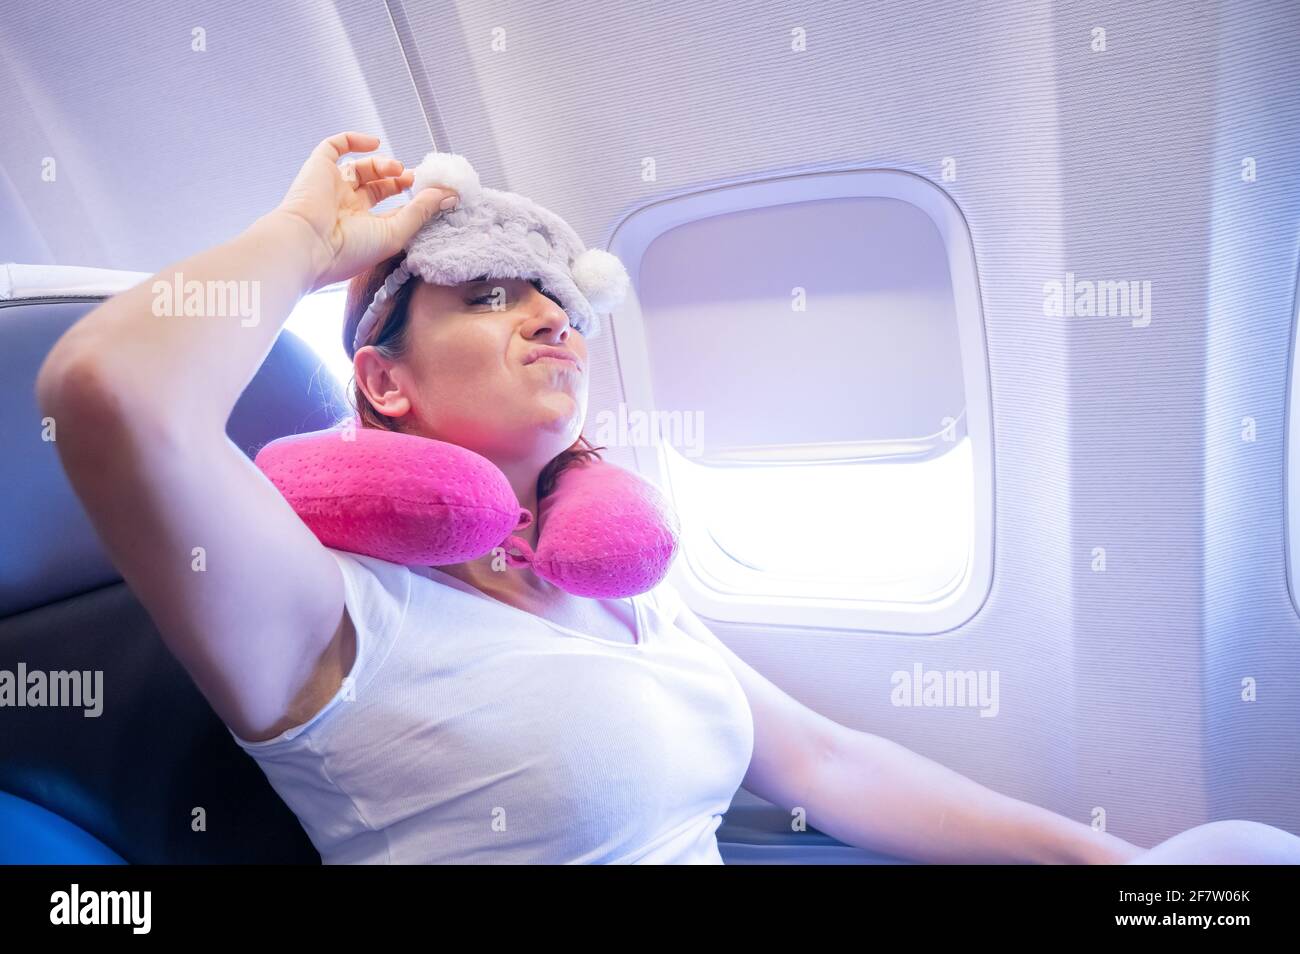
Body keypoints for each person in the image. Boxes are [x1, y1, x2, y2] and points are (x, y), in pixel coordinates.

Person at [35, 131, 1299, 864]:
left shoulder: (603, 579)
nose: (547, 316)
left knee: (1230, 864)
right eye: (486, 292)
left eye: (560, 300)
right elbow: (107, 393)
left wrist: (1121, 870)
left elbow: (830, 760)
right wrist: (317, 237)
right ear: (382, 382)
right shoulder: (319, 609)